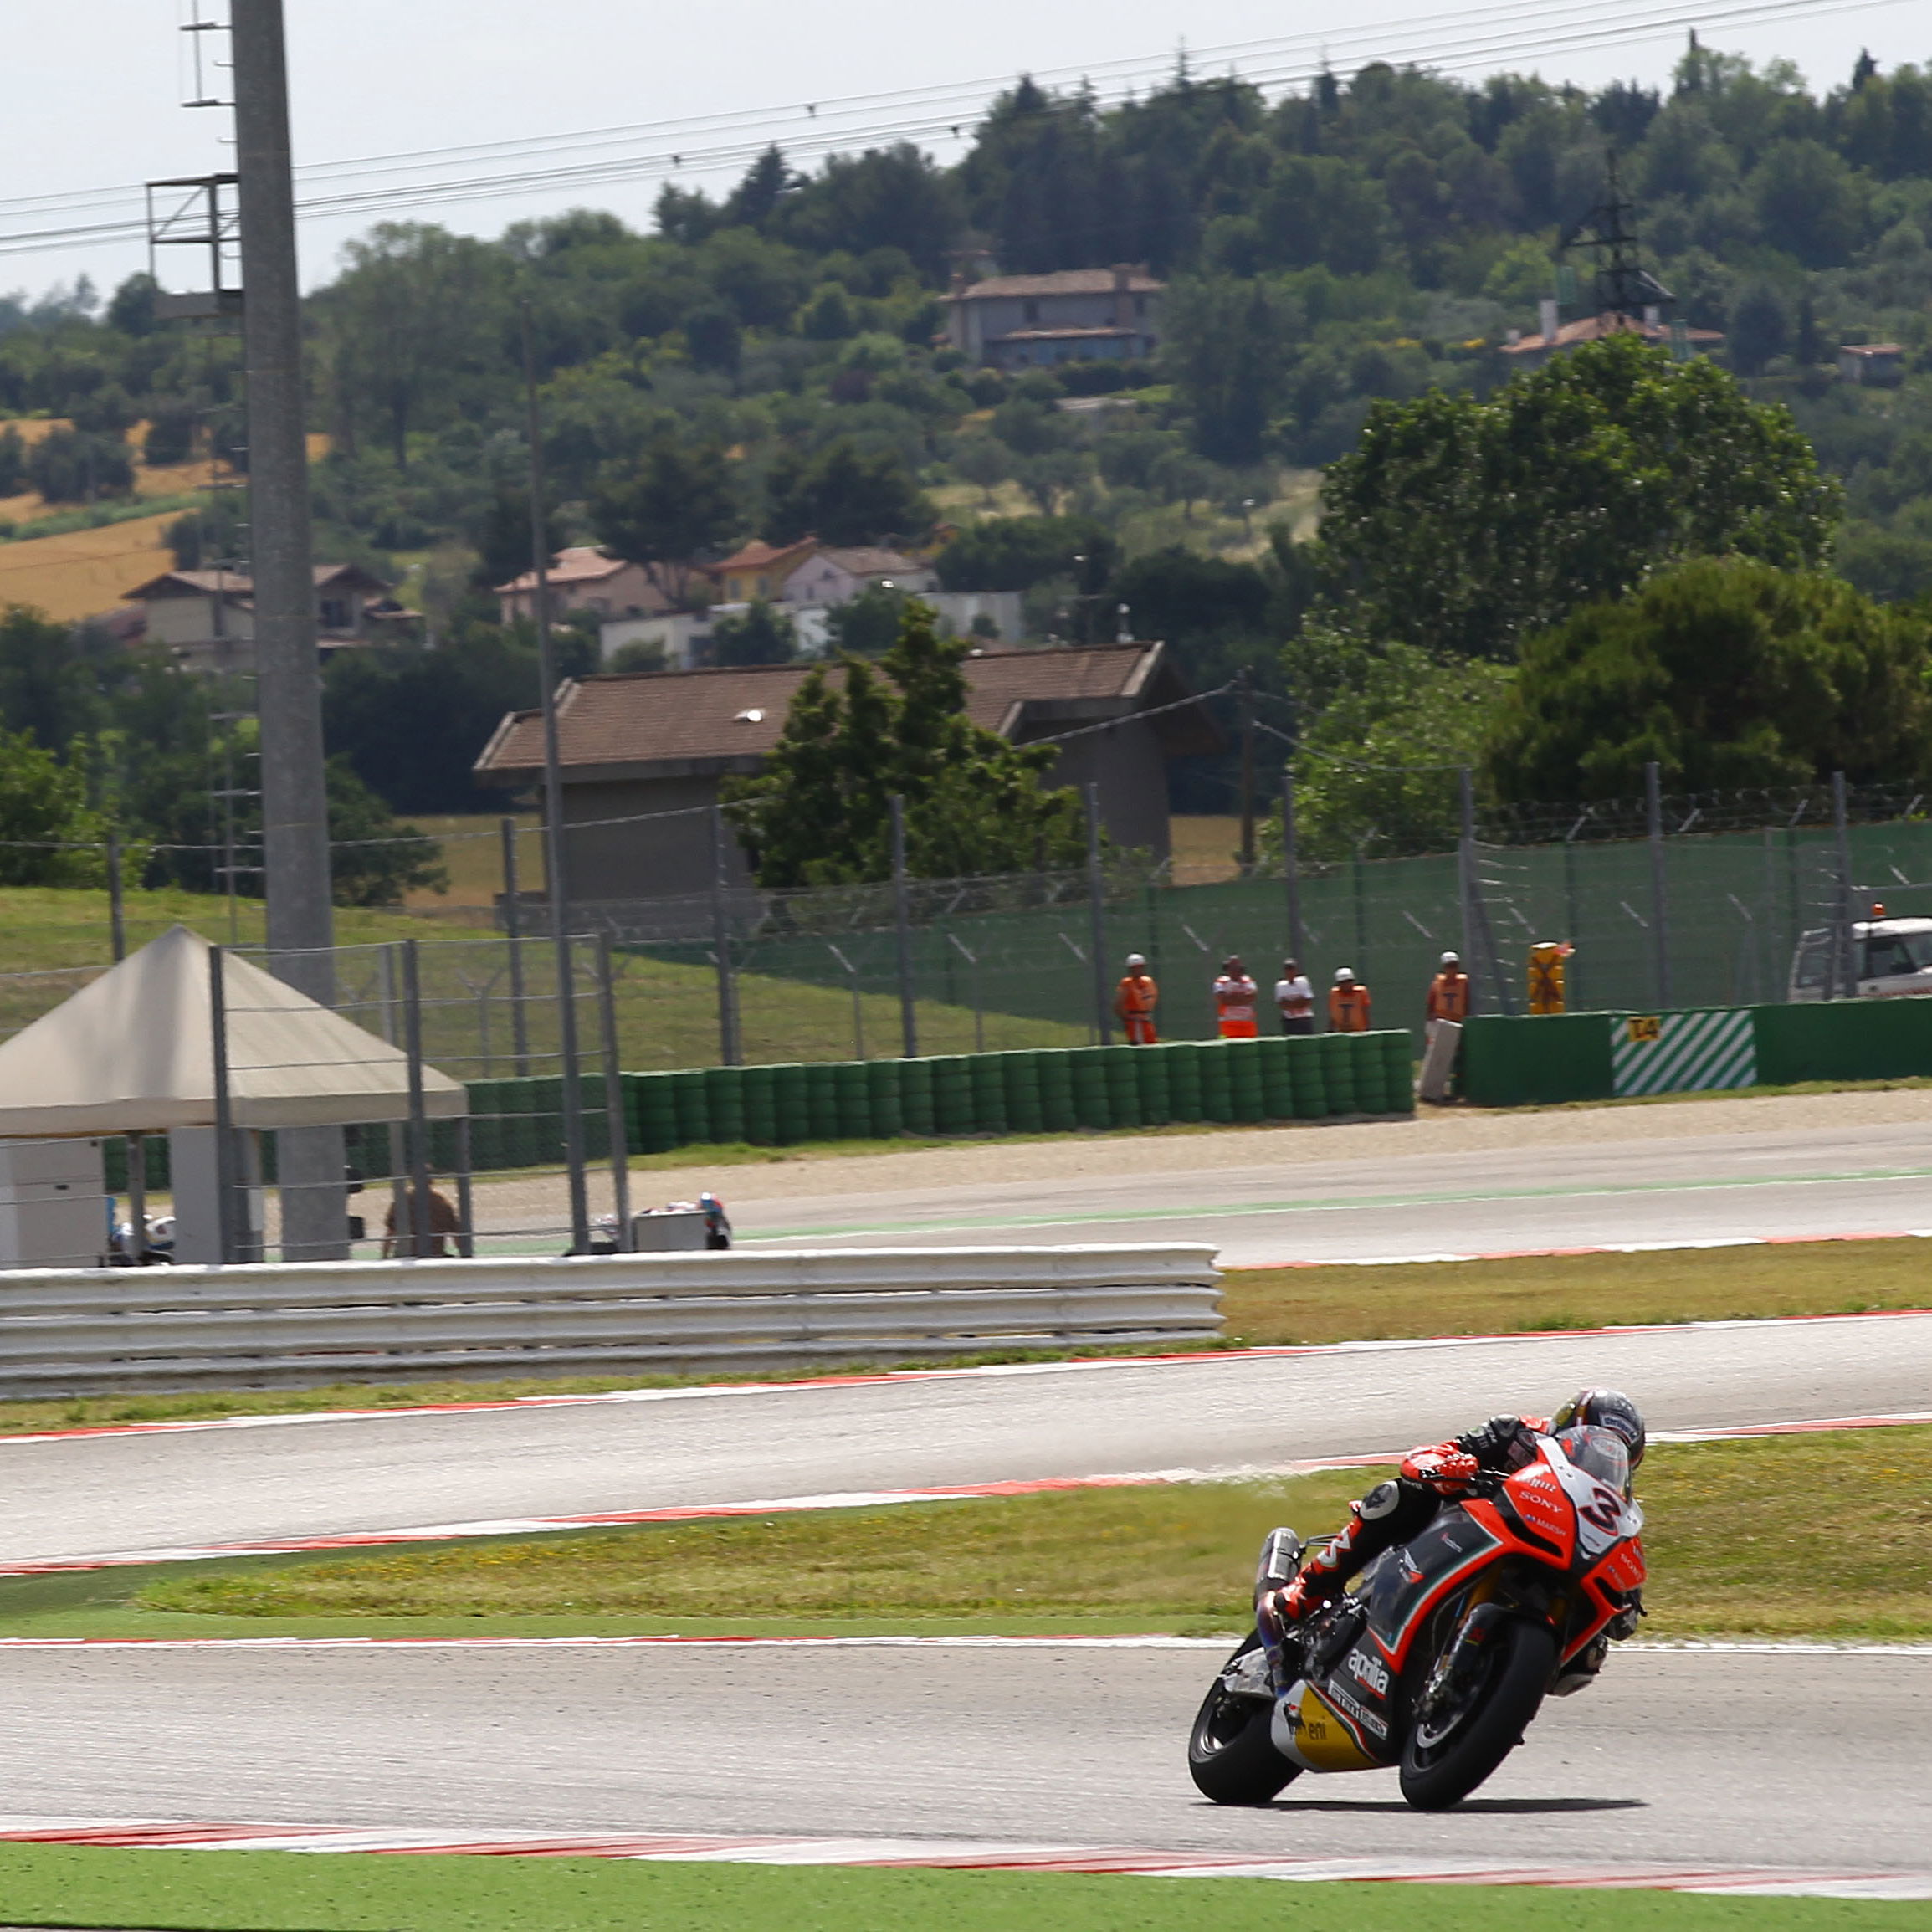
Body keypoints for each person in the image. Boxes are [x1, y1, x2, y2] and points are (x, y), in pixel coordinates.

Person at [1259, 1388, 1647, 1632]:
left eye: (1613, 1453)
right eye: (1592, 1439)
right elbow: (1426, 1456)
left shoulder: (1611, 1506)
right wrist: (1447, 1468)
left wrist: (1624, 1599)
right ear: (1567, 1426)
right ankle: (1307, 1589)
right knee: (1397, 1495)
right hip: (1455, 1528)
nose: (1596, 1454)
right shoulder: (1517, 1433)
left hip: (1544, 1553)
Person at [382, 1183, 462, 1258]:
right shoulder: (442, 1202)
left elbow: (390, 1233)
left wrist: (384, 1255)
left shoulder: (402, 1201)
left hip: (408, 1255)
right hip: (436, 1254)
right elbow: (456, 1235)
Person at [1426, 951, 1469, 1046]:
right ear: (1444, 968)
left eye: (1455, 966)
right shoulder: (1437, 985)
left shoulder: (1464, 984)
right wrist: (1430, 1028)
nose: (1452, 970)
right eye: (1449, 966)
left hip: (1459, 1023)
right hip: (1442, 1024)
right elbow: (1431, 1007)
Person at [1115, 954, 1160, 1044]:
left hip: (1146, 1020)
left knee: (1152, 1043)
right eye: (1135, 968)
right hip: (1135, 1022)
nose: (1138, 970)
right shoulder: (1127, 983)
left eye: (1140, 967)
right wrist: (1128, 1019)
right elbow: (1118, 1005)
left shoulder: (1147, 981)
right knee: (1141, 1047)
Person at [1213, 956, 1259, 1038]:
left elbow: (1251, 997)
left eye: (1238, 967)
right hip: (1228, 1023)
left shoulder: (1248, 981)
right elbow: (1223, 1000)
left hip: (1247, 1023)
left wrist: (1232, 997)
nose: (1236, 970)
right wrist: (1241, 997)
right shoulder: (1221, 982)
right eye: (1233, 967)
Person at [1274, 958, 1314, 1036]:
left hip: (1304, 1020)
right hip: (1289, 1021)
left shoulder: (1303, 982)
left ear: (1296, 970)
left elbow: (1307, 1002)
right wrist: (1298, 1001)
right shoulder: (1280, 986)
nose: (1290, 971)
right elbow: (1282, 1005)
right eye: (1287, 969)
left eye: (1292, 969)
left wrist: (1290, 1003)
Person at [1329, 966, 1371, 1032]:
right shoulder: (1335, 994)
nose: (1346, 984)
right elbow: (1333, 1012)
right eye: (1343, 982)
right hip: (1341, 1031)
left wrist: (1367, 1028)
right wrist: (1331, 1028)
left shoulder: (1360, 993)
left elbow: (1365, 1011)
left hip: (1359, 1030)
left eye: (1349, 981)